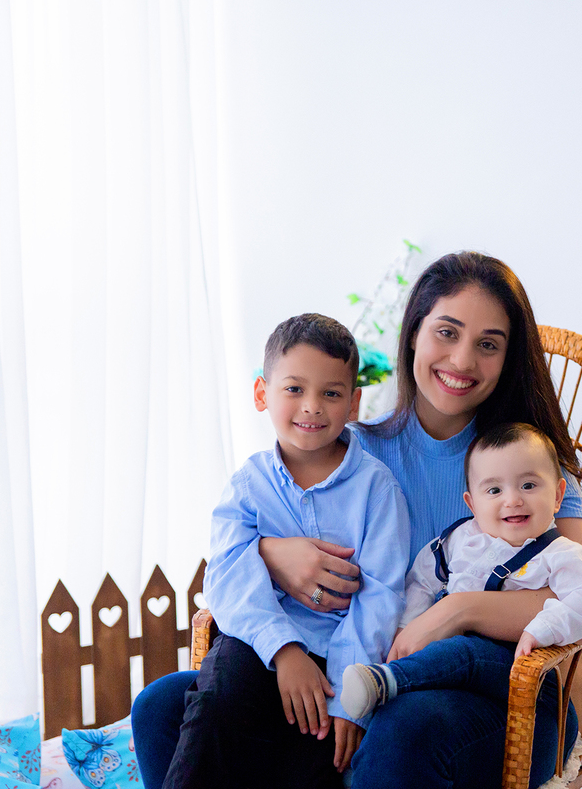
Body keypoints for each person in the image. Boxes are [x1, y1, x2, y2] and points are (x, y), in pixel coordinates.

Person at [131, 252, 582, 789]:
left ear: (508, 358)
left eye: (488, 344)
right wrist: (271, 553)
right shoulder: (353, 455)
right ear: (413, 335)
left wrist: (457, 611)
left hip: (507, 697)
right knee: (161, 707)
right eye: (446, 332)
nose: (461, 360)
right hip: (367, 677)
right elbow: (250, 530)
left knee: (403, 729)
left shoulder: (526, 466)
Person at [162, 314, 410, 789]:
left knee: (315, 762)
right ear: (262, 393)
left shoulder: (377, 488)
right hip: (256, 646)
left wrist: (347, 700)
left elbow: (380, 597)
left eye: (331, 393)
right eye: (294, 389)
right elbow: (227, 574)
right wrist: (284, 650)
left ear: (354, 402)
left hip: (337, 666)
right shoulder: (249, 485)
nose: (312, 407)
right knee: (214, 708)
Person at [339, 422, 582, 720]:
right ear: (472, 503)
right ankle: (395, 686)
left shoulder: (560, 553)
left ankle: (388, 680)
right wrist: (408, 626)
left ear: (557, 496)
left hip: (510, 666)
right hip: (450, 665)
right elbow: (423, 579)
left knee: (463, 653)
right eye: (494, 490)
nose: (513, 500)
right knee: (443, 661)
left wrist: (541, 629)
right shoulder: (460, 539)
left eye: (528, 485)